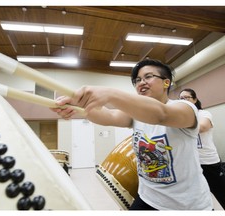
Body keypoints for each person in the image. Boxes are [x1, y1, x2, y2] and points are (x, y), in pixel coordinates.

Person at [51, 59, 213, 210]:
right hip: (147, 197)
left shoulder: (184, 107)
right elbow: (109, 116)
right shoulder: (136, 113)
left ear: (166, 82)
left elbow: (161, 114)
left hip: (187, 205)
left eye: (148, 77)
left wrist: (110, 93)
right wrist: (80, 107)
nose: (141, 82)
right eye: (137, 80)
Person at [179, 88, 225, 209]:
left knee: (221, 192)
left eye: (186, 98)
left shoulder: (203, 114)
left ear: (194, 99)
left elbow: (203, 127)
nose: (183, 100)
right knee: (198, 196)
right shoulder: (181, 117)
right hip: (192, 163)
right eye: (181, 99)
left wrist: (178, 124)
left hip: (209, 162)